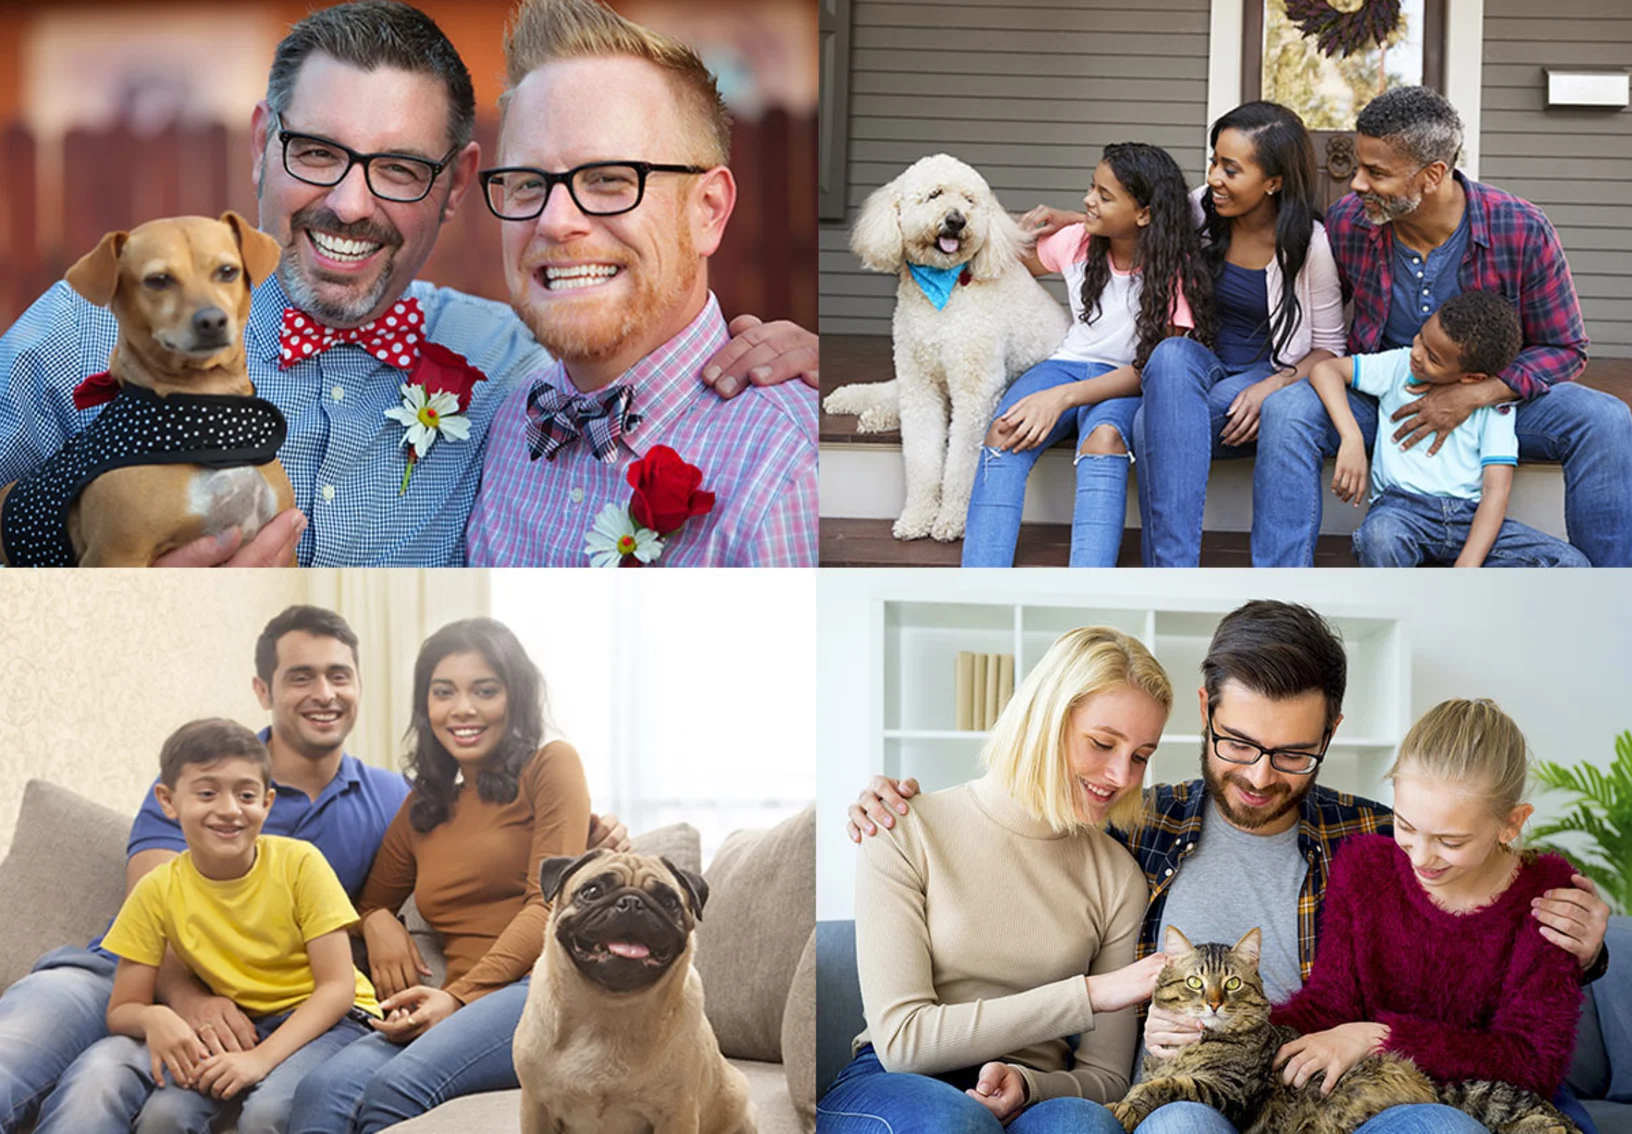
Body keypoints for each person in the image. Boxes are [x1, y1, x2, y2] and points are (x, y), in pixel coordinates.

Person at [0, 0, 817, 568]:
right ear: (262, 142)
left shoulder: (516, 365)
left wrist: (813, 363)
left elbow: (638, 353)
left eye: (398, 168)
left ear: (458, 183)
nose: (349, 205)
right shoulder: (86, 324)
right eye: (317, 153)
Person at [847, 600, 1612, 1133]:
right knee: (1178, 1122)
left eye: (1293, 754)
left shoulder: (1383, 840)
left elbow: (1481, 891)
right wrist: (888, 801)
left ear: (1333, 731)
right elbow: (1024, 837)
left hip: (1328, 1089)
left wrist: (1584, 939)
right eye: (1238, 743)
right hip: (1192, 1089)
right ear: (1208, 711)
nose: (1258, 775)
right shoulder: (1139, 830)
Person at [0, 605, 623, 1133]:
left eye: (338, 676)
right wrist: (189, 1000)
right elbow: (162, 910)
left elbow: (543, 887)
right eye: (301, 676)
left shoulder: (392, 797)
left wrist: (383, 928)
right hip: (116, 977)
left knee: (293, 1095)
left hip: (361, 1001)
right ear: (264, 691)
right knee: (34, 1066)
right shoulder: (208, 779)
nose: (323, 693)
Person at [463, 0, 818, 567]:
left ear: (708, 210)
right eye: (528, 184)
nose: (555, 221)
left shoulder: (788, 469)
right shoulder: (501, 428)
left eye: (607, 179)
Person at [1251, 84, 1632, 567]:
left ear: (1432, 175)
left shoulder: (1520, 228)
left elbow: (1564, 347)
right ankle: (1281, 596)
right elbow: (1317, 322)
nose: (1356, 185)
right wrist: (1282, 377)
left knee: (1604, 419)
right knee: (1289, 411)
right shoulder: (1350, 223)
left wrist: (1475, 395)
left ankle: (1611, 595)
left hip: (1494, 404)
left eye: (1377, 172)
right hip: (1386, 398)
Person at [818, 627, 1175, 1134]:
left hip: (1037, 1089)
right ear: (1044, 721)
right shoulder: (903, 828)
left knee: (1085, 1127)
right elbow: (902, 1042)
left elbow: (1107, 1077)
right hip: (894, 1081)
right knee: (954, 1121)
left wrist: (1030, 1084)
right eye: (1102, 743)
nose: (1121, 776)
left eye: (1140, 755)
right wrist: (1089, 994)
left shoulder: (1117, 876)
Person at [287, 618, 591, 1133]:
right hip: (462, 1003)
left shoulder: (550, 766)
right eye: (444, 692)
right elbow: (364, 905)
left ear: (514, 698)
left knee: (395, 1091)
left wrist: (458, 997)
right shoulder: (423, 809)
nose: (463, 709)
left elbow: (549, 904)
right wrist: (379, 920)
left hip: (539, 990)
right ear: (426, 708)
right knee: (321, 1091)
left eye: (485, 690)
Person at [38, 720, 382, 1134]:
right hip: (239, 1026)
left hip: (332, 1020)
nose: (229, 809)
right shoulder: (157, 890)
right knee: (164, 1117)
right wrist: (154, 1020)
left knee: (265, 1114)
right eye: (206, 793)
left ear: (267, 803)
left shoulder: (301, 864)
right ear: (168, 801)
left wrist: (259, 1059)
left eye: (247, 795)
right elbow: (123, 1008)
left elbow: (337, 989)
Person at [1273, 700, 1592, 1132]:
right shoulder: (1366, 869)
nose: (1421, 858)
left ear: (1512, 824)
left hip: (1499, 1110)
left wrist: (1378, 1038)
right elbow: (1330, 1006)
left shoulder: (1548, 895)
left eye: (1450, 840)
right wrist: (1230, 1032)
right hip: (1384, 1106)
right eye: (1405, 826)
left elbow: (1531, 1063)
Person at [961, 143, 1213, 567]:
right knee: (1004, 430)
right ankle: (980, 577)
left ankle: (1088, 581)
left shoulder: (1176, 271)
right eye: (1091, 187)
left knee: (1105, 439)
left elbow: (1151, 370)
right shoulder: (1078, 241)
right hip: (1065, 366)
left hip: (1126, 382)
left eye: (1104, 195)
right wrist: (1011, 232)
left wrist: (1063, 398)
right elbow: (1016, 262)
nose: (1087, 200)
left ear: (1145, 214)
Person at [1132, 102, 1345, 566]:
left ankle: (1167, 570)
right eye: (1213, 161)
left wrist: (1272, 386)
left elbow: (1330, 349)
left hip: (1268, 371)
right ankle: (1175, 571)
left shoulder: (1310, 246)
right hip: (1203, 365)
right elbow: (1129, 222)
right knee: (1169, 354)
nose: (1214, 177)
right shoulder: (1199, 212)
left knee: (1146, 423)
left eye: (1231, 168)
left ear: (1274, 180)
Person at [1311, 290, 1588, 567]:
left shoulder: (1496, 408)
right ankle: (1406, 606)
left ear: (1473, 377)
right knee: (1379, 538)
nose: (1417, 354)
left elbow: (1496, 491)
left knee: (1569, 563)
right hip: (1400, 512)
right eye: (1420, 337)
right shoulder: (1397, 366)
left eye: (1433, 358)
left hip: (1468, 519)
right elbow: (1326, 370)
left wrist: (1467, 565)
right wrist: (1351, 437)